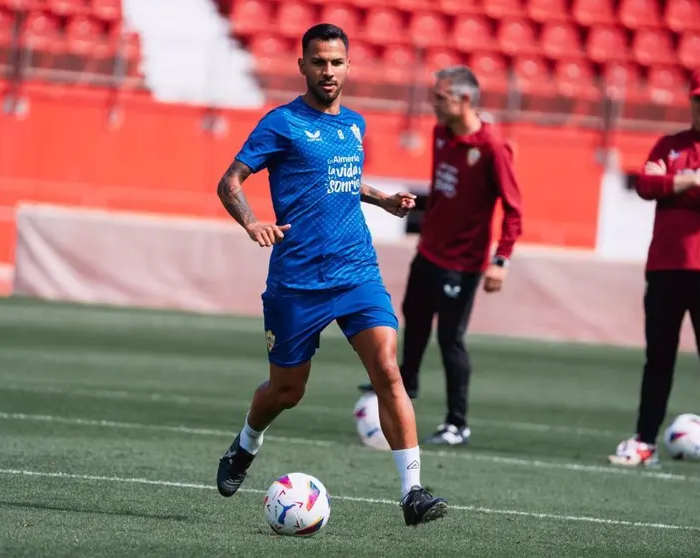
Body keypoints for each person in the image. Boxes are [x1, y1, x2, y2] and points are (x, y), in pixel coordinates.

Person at [213, 23, 449, 526]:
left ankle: (412, 493)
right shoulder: (281, 123)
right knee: (287, 392)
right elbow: (229, 182)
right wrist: (252, 223)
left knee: (387, 368)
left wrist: (382, 199)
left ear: (348, 66)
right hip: (297, 281)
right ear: (302, 65)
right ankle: (246, 443)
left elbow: (339, 178)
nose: (328, 71)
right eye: (318, 61)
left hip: (356, 271)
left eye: (336, 62)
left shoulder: (355, 124)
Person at [359, 66, 523, 446]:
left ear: (464, 100)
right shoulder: (440, 133)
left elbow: (514, 209)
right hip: (429, 251)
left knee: (450, 339)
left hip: (463, 263)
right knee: (414, 320)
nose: (434, 104)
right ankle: (407, 384)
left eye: (441, 97)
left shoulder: (493, 147)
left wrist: (501, 260)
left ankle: (456, 423)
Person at [608, 68, 700, 477]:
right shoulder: (669, 144)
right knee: (657, 358)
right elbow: (644, 184)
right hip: (664, 266)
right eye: (699, 99)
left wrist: (672, 184)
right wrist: (690, 180)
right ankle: (644, 442)